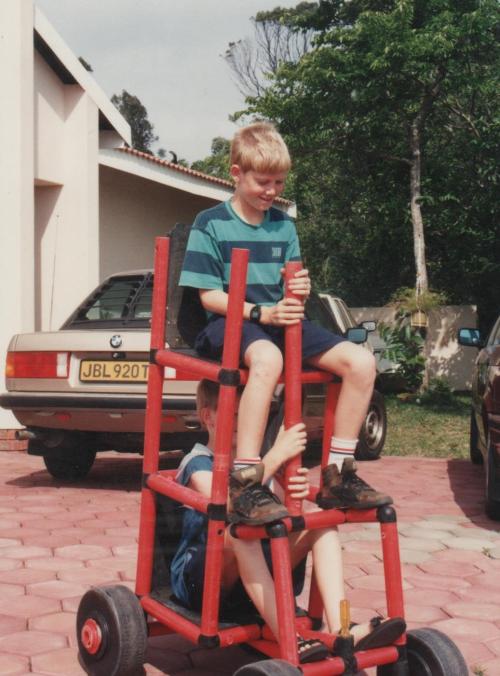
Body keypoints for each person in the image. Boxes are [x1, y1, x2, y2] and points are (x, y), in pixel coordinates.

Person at [179, 121, 392, 525]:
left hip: (278, 322)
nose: (272, 192)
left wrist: (298, 289)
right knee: (268, 359)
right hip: (228, 323)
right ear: (236, 174)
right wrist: (261, 312)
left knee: (361, 362)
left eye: (278, 182)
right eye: (263, 182)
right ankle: (246, 478)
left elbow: (290, 292)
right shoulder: (209, 224)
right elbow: (209, 297)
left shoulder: (284, 226)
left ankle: (338, 472)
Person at [170, 380, 405, 664]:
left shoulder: (256, 465)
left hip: (251, 582)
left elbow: (281, 514)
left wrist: (292, 491)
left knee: (320, 525)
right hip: (201, 584)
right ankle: (289, 636)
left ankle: (341, 629)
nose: (243, 423)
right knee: (239, 533)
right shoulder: (196, 462)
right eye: (234, 414)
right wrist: (275, 456)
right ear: (208, 417)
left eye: (249, 416)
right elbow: (228, 506)